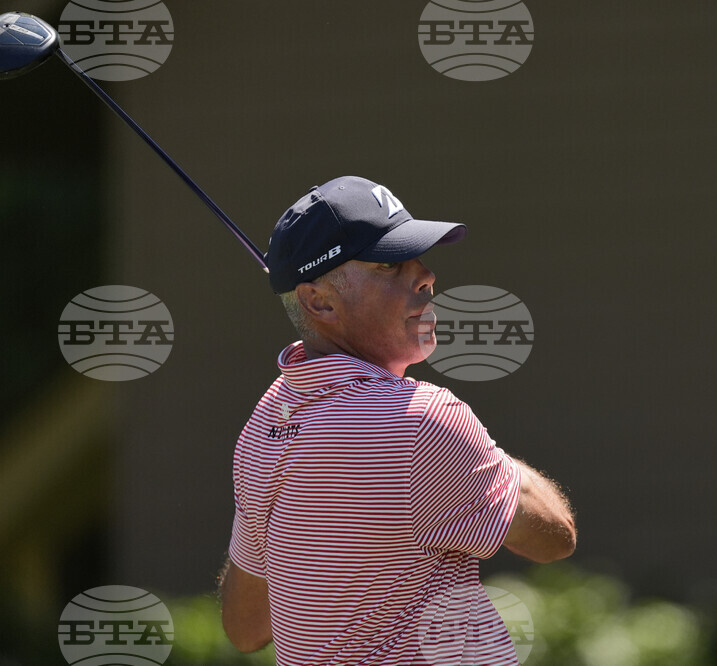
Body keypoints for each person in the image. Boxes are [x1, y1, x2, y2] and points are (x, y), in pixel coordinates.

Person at [218, 176, 576, 666]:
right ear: (318, 301)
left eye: (417, 257)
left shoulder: (267, 421)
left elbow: (245, 628)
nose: (426, 276)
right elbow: (555, 537)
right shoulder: (425, 421)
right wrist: (475, 454)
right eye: (388, 264)